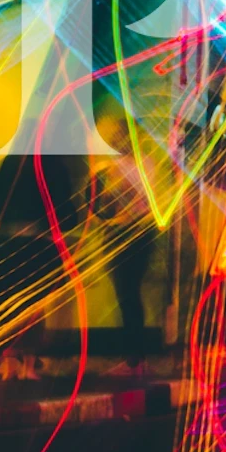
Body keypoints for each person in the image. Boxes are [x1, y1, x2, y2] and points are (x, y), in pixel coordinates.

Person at [90, 113, 156, 361]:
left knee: (126, 291)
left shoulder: (116, 168)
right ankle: (134, 351)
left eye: (119, 135)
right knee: (129, 291)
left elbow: (106, 204)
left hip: (125, 233)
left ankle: (133, 352)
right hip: (136, 233)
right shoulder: (144, 164)